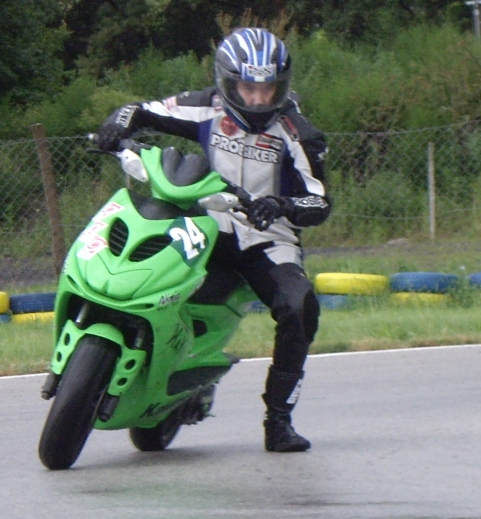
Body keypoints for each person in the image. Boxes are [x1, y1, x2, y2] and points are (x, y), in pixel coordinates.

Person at [96, 27, 331, 452]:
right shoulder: (204, 106)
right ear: (226, 81)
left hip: (268, 238)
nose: (257, 99)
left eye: (268, 89)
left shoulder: (299, 132)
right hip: (205, 224)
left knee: (301, 308)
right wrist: (117, 123)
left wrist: (281, 204)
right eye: (248, 88)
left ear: (282, 85)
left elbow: (319, 201)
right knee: (149, 270)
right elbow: (140, 110)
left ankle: (279, 421)